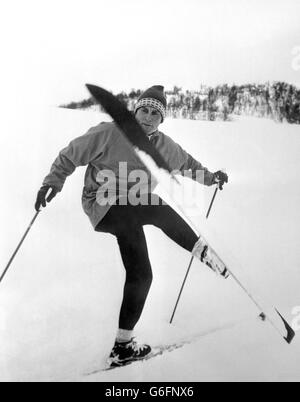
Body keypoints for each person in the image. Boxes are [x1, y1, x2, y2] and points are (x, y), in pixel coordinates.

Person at [35, 85, 229, 366]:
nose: (147, 117)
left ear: (161, 120)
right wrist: (51, 183)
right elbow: (70, 155)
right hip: (103, 204)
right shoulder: (108, 133)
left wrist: (212, 178)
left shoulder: (165, 147)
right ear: (135, 111)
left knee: (143, 273)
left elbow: (187, 165)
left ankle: (123, 345)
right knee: (152, 207)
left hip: (134, 204)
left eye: (155, 113)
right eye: (143, 110)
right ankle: (198, 248)